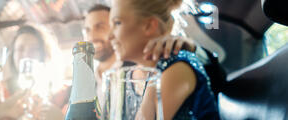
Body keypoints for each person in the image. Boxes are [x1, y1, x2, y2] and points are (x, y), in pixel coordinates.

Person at [108, 0, 226, 120]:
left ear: (149, 25)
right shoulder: (128, 76)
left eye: (117, 23)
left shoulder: (177, 66)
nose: (109, 35)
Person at [83, 3, 226, 96]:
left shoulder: (170, 65)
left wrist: (194, 51)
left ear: (149, 26)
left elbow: (219, 83)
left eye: (116, 23)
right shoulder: (87, 82)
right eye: (87, 30)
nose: (91, 36)